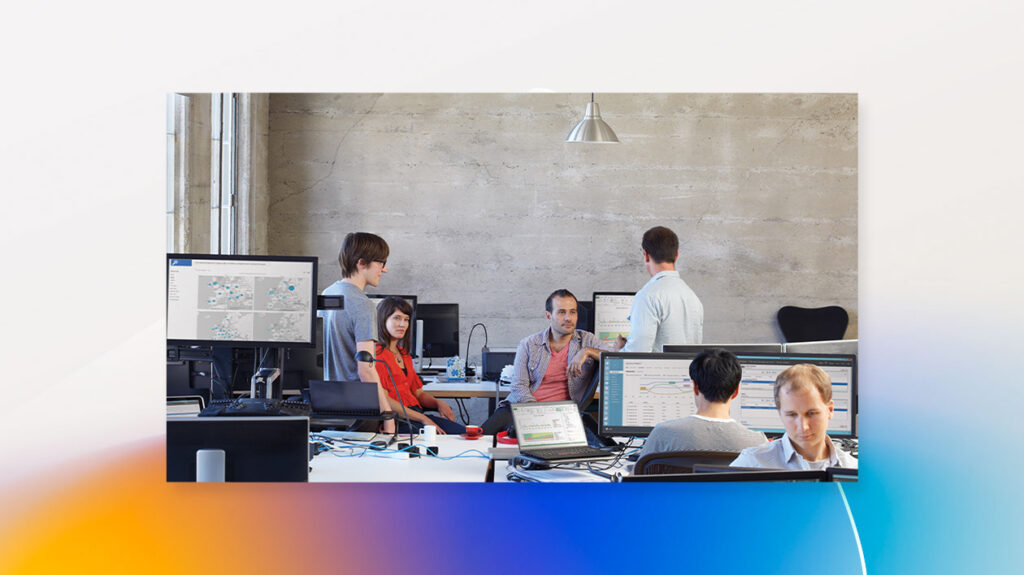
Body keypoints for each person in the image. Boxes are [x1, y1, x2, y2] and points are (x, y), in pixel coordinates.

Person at [480, 289, 616, 435]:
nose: (568, 318)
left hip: (563, 416)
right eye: (562, 312)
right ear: (548, 316)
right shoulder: (529, 344)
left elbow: (617, 358)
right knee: (480, 438)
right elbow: (519, 386)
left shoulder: (587, 340)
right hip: (522, 408)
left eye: (573, 312)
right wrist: (538, 415)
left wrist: (587, 351)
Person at [320, 232, 395, 433]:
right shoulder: (362, 304)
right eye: (381, 263)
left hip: (328, 404)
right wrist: (387, 414)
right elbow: (366, 369)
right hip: (359, 408)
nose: (385, 270)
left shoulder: (328, 294)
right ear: (362, 263)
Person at [637, 348, 766, 459]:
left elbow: (635, 481)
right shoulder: (758, 443)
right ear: (736, 391)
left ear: (695, 387)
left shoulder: (663, 433)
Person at [731, 363, 858, 469]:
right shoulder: (752, 463)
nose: (803, 427)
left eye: (811, 413)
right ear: (780, 414)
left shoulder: (854, 468)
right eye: (792, 415)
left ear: (830, 410)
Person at [374, 296, 466, 436]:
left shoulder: (403, 354)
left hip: (415, 415)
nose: (402, 324)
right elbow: (385, 401)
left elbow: (418, 393)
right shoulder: (377, 355)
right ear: (383, 319)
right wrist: (424, 419)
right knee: (455, 437)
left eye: (406, 319)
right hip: (397, 420)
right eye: (397, 318)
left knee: (463, 434)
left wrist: (437, 403)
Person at [620, 226, 703, 352]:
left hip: (656, 371)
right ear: (676, 256)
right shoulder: (693, 297)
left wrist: (619, 350)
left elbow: (636, 353)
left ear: (646, 255)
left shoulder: (647, 296)